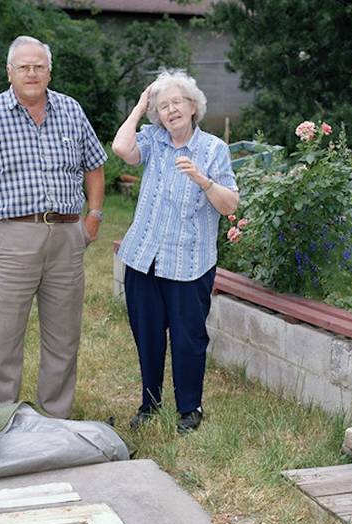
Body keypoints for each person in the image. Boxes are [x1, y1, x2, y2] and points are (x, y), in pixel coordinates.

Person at [0, 35, 106, 419]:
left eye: (39, 66)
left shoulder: (71, 110)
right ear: (10, 71)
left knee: (63, 336)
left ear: (49, 71)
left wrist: (94, 216)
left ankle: (56, 417)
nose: (32, 73)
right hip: (11, 237)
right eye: (24, 66)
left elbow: (95, 164)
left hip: (67, 238)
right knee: (3, 337)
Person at [112, 70, 239, 433]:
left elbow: (229, 204)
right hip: (143, 258)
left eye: (177, 103)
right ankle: (149, 403)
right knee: (147, 333)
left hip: (188, 263)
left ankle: (189, 409)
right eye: (163, 106)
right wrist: (138, 109)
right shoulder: (152, 138)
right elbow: (122, 149)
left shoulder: (213, 149)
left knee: (188, 337)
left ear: (193, 106)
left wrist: (203, 179)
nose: (170, 111)